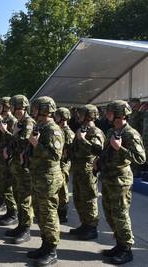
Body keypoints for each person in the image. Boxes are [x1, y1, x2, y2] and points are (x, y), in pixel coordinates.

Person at [99, 100, 146, 264]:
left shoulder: (130, 133)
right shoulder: (112, 130)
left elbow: (140, 158)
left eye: (110, 112)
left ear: (119, 114)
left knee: (120, 215)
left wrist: (121, 148)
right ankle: (119, 244)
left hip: (120, 180)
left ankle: (126, 250)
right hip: (108, 178)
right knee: (110, 214)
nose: (107, 115)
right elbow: (106, 153)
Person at [27, 96, 64, 266]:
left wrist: (36, 144)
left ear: (44, 110)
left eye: (35, 108)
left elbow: (55, 155)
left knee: (48, 213)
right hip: (38, 176)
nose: (33, 111)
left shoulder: (53, 129)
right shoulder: (40, 126)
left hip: (48, 178)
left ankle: (52, 250)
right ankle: (45, 245)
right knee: (40, 213)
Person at [70, 104, 105, 240]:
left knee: (89, 199)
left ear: (88, 116)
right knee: (79, 198)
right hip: (78, 169)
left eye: (81, 114)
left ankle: (91, 228)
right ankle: (84, 224)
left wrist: (82, 139)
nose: (79, 116)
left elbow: (97, 150)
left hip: (88, 170)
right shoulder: (82, 129)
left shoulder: (95, 132)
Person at [4, 95, 35, 244]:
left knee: (24, 199)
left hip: (24, 167)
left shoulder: (28, 122)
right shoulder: (20, 122)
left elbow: (24, 141)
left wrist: (14, 133)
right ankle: (21, 225)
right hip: (17, 165)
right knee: (18, 196)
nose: (13, 110)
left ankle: (26, 229)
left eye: (14, 107)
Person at [0, 97, 18, 226]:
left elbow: (16, 140)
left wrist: (5, 131)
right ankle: (9, 211)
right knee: (3, 185)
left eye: (0, 106)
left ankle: (13, 213)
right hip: (1, 158)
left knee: (9, 187)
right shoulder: (3, 120)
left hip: (9, 159)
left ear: (7, 107)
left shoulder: (13, 121)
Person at [54, 107, 74, 223]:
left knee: (63, 188)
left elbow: (69, 151)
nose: (55, 118)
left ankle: (62, 212)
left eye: (57, 116)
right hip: (58, 162)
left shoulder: (67, 132)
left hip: (63, 163)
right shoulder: (59, 130)